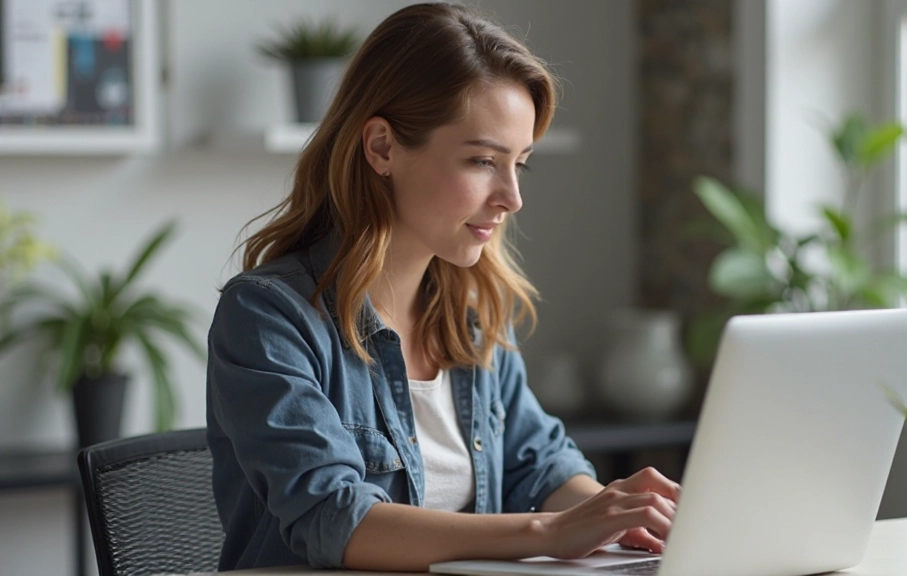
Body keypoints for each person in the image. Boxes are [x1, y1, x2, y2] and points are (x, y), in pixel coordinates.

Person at [206, 2, 679, 572]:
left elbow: (542, 464)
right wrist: (550, 531)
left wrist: (626, 515)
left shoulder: (472, 312)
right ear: (382, 147)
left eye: (520, 164)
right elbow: (336, 520)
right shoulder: (267, 316)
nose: (511, 197)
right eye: (482, 161)